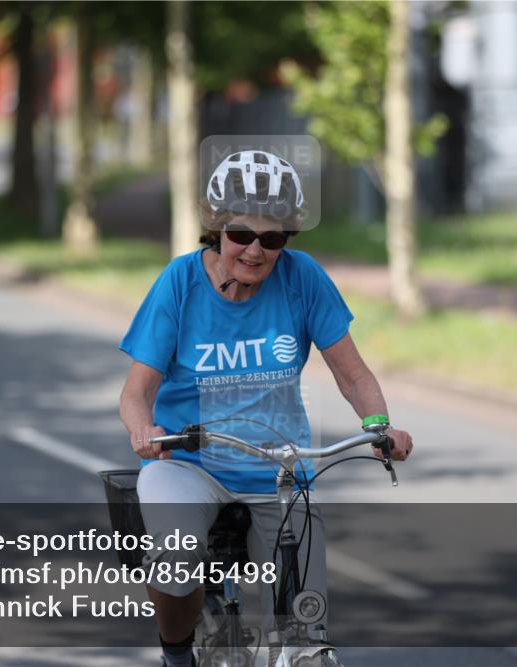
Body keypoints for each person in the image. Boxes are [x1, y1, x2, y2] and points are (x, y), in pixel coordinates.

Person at [119, 150, 414, 667]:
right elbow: (136, 391)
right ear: (216, 229)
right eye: (241, 235)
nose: (255, 251)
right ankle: (176, 652)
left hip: (279, 470)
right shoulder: (179, 283)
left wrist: (378, 426)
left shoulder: (303, 279)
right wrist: (144, 430)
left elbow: (354, 374)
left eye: (273, 239)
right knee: (176, 562)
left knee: (304, 626)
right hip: (187, 464)